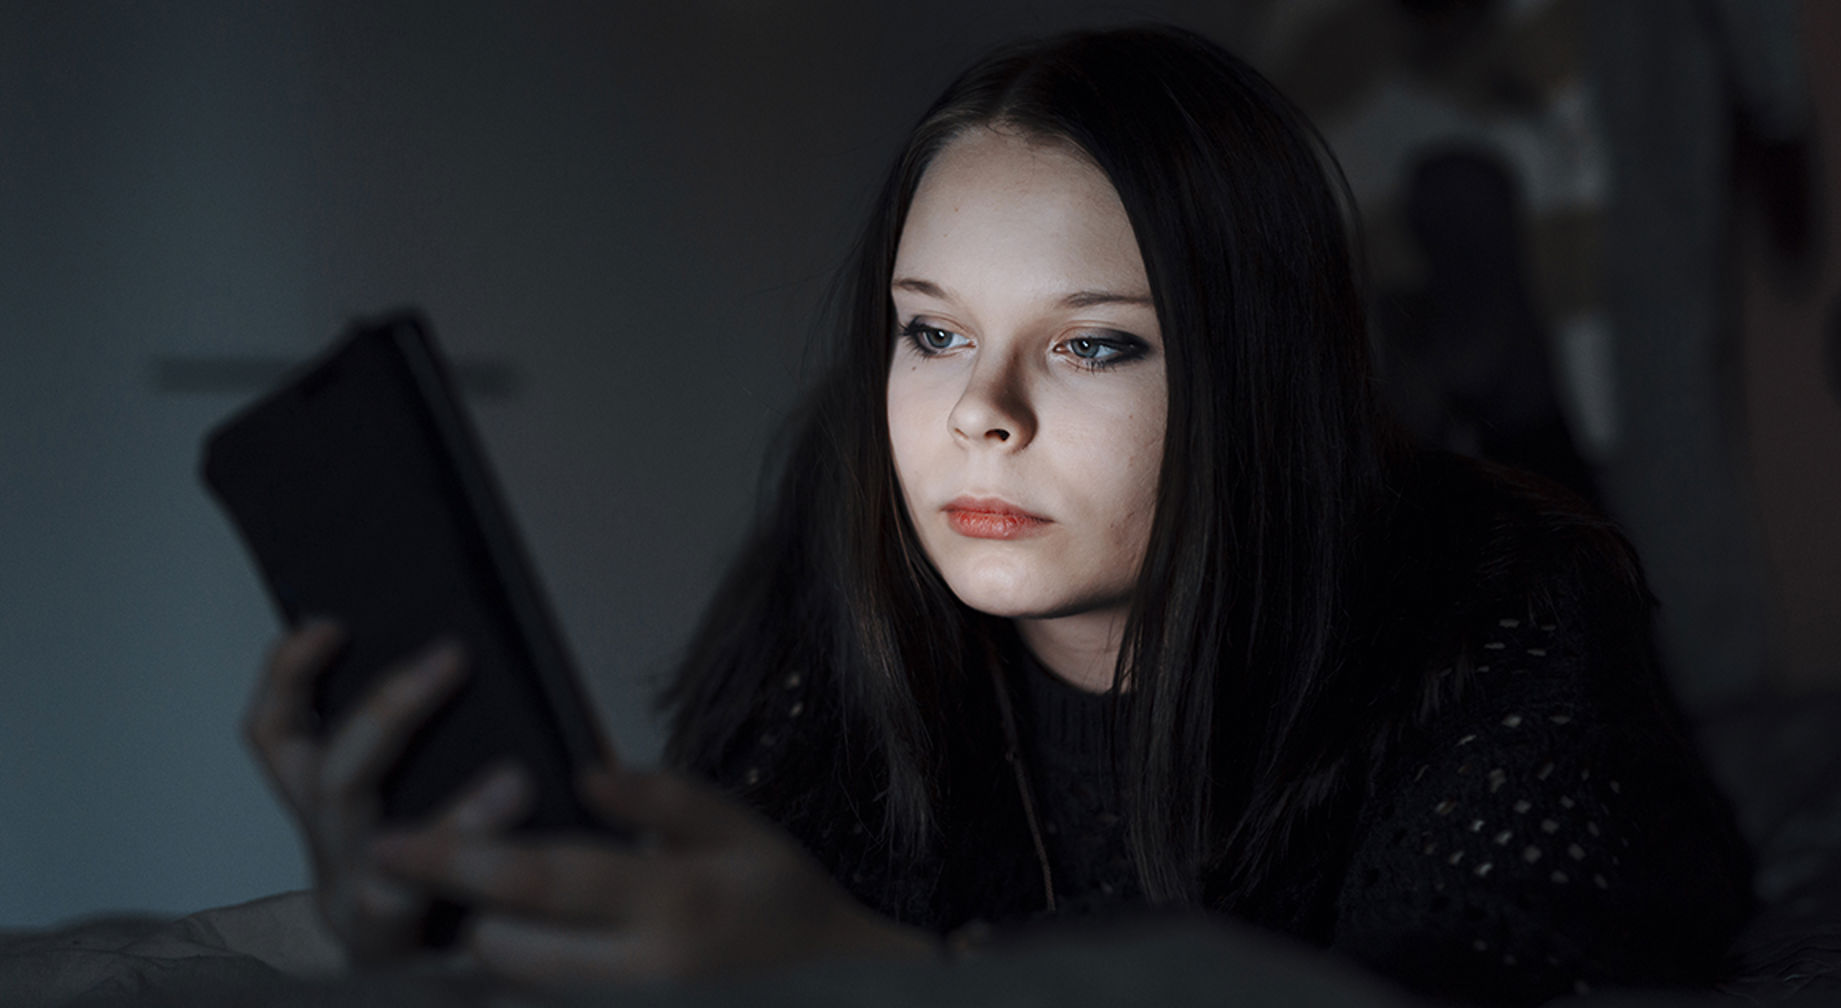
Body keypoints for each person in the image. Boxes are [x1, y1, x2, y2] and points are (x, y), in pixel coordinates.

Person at [245, 24, 1751, 1006]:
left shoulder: (1508, 606)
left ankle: (1494, 369)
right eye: (932, 331)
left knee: (1537, 490)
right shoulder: (840, 572)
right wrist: (442, 936)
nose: (982, 414)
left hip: (1447, 539)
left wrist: (895, 974)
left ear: (1249, 376)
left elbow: (1490, 971)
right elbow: (712, 930)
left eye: (1094, 342)